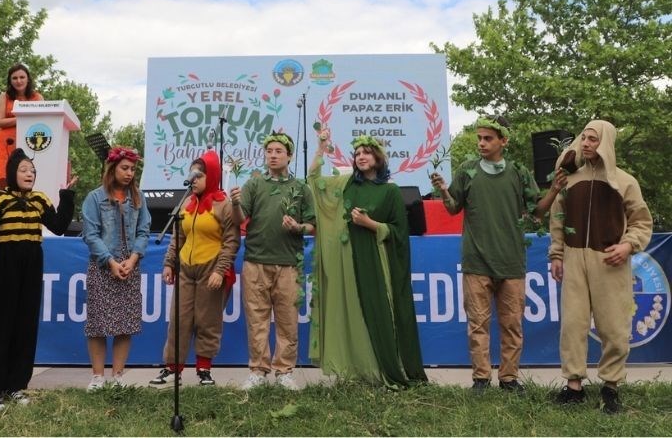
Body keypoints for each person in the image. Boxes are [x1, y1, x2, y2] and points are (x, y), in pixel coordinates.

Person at [430, 115, 565, 394]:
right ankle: (481, 379)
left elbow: (538, 212)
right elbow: (453, 208)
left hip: (511, 261)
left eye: (488, 138)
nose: (481, 143)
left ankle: (509, 379)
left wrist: (554, 189)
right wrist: (443, 190)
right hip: (476, 260)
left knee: (512, 324)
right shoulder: (467, 170)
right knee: (477, 323)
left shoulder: (518, 172)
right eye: (479, 138)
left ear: (503, 141)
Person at [308, 131, 428, 388]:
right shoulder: (346, 183)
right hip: (349, 260)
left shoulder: (390, 191)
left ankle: (382, 370)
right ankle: (356, 371)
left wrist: (370, 224)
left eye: (366, 152)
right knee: (353, 313)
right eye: (357, 153)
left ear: (378, 157)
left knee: (378, 313)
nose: (361, 157)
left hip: (376, 261)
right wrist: (321, 146)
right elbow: (314, 180)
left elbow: (399, 231)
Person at [549, 119, 652, 414]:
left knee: (614, 327)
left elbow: (641, 221)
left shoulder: (624, 181)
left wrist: (628, 245)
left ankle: (611, 387)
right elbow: (556, 219)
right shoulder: (569, 180)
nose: (586, 144)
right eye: (584, 138)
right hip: (574, 258)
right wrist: (557, 255)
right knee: (573, 324)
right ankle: (574, 387)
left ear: (605, 142)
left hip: (610, 261)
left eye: (593, 139)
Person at [0, 148, 76, 410]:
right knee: (0, 326)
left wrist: (67, 195)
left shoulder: (40, 200)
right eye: (24, 170)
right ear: (12, 173)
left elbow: (60, 226)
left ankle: (16, 385)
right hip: (4, 265)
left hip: (31, 265)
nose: (29, 174)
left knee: (25, 326)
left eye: (32, 170)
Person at [229, 132, 316, 390]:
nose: (273, 155)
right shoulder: (253, 184)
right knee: (257, 319)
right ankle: (257, 370)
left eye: (279, 151)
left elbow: (313, 226)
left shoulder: (301, 188)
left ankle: (284, 372)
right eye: (269, 151)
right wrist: (234, 204)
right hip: (256, 261)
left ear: (289, 155)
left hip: (289, 263)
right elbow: (238, 220)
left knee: (288, 319)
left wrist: (297, 226)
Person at [149, 150, 240, 387]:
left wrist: (220, 270)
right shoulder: (186, 204)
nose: (194, 178)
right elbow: (177, 236)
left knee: (207, 320)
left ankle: (204, 370)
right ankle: (172, 368)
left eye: (199, 174)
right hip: (186, 270)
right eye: (192, 174)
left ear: (212, 176)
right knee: (178, 319)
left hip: (211, 268)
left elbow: (232, 241)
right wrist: (169, 263)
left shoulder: (223, 205)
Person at [81, 146, 151, 391]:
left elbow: (144, 231)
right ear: (112, 169)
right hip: (103, 265)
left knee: (126, 323)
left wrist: (132, 260)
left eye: (133, 169)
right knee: (98, 323)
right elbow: (90, 235)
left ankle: (118, 376)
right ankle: (98, 377)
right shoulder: (94, 198)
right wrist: (110, 261)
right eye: (125, 168)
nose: (130, 173)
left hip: (129, 266)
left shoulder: (139, 198)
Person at [0, 63, 44, 186]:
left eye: (22, 77)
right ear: (10, 81)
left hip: (30, 142)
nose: (19, 81)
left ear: (28, 79)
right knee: (5, 182)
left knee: (28, 179)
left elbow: (42, 120)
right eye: (14, 78)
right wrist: (22, 118)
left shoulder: (37, 97)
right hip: (4, 142)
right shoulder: (4, 96)